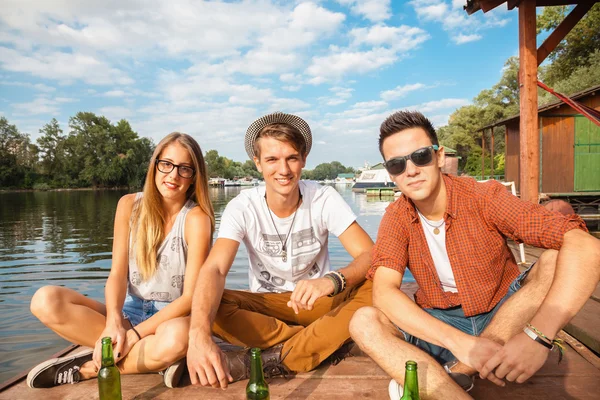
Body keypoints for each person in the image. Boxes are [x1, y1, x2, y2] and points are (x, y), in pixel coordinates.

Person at [348, 111, 600, 400]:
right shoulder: (396, 217)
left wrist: (537, 336)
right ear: (391, 173)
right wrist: (458, 342)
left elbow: (584, 245)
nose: (411, 170)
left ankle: (454, 372)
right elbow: (384, 292)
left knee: (555, 259)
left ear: (439, 156)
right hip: (443, 320)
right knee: (363, 321)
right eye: (396, 164)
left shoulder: (483, 197)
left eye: (420, 156)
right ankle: (458, 381)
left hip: (503, 309)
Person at [185, 112, 374, 390]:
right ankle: (320, 341)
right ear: (258, 163)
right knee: (211, 302)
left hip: (318, 303)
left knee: (378, 283)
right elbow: (214, 269)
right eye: (272, 159)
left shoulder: (323, 198)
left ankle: (279, 357)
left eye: (291, 158)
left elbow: (371, 254)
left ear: (304, 160)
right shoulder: (243, 206)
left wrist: (332, 280)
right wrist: (197, 336)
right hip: (268, 307)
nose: (283, 170)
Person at [27, 132, 214, 389]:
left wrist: (136, 334)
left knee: (179, 337)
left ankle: (94, 367)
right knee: (45, 300)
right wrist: (114, 321)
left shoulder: (196, 219)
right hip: (130, 312)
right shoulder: (129, 205)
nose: (173, 176)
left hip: (169, 320)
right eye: (167, 164)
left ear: (194, 177)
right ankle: (153, 360)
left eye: (184, 169)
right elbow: (117, 274)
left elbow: (190, 297)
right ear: (155, 165)